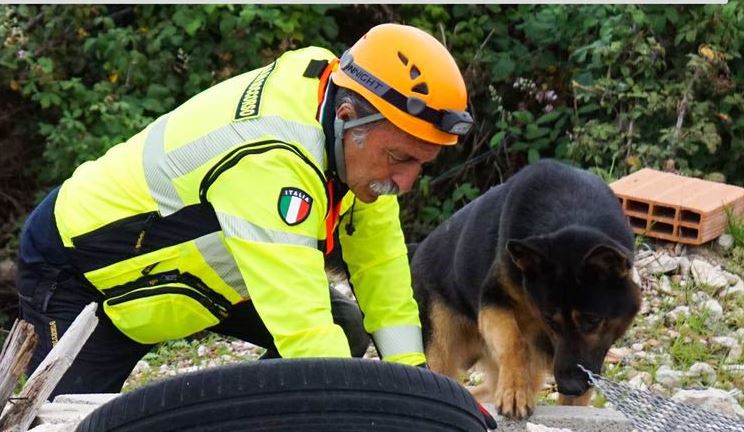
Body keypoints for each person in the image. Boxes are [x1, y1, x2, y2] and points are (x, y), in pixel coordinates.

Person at [16, 23, 472, 396]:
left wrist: (417, 387)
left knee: (343, 326)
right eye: (400, 158)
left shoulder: (346, 131)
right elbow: (305, 334)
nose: (407, 182)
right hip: (83, 269)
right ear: (350, 117)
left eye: (421, 164)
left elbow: (381, 268)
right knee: (74, 418)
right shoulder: (271, 157)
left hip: (199, 274)